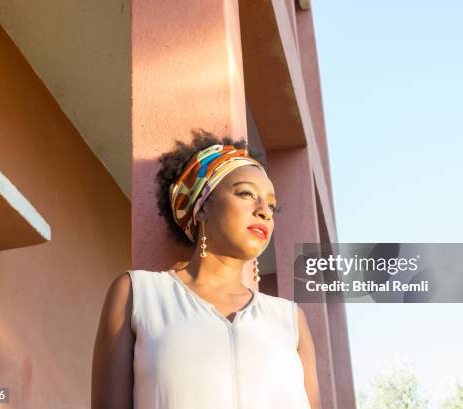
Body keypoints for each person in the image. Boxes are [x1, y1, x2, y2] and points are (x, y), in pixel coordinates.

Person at [91, 131, 322, 409]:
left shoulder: (290, 319)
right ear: (201, 207)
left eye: (271, 205)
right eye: (246, 193)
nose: (264, 211)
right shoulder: (139, 295)